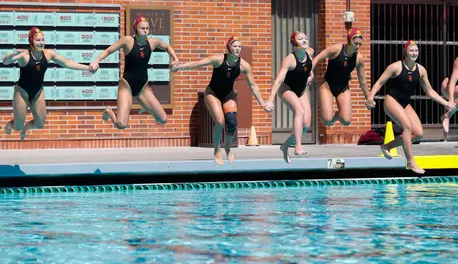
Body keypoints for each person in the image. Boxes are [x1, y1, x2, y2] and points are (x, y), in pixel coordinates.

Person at [176, 36, 273, 165]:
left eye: (239, 46)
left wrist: (262, 102)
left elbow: (253, 85)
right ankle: (217, 149)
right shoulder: (218, 59)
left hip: (228, 95)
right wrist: (179, 67)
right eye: (235, 46)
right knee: (220, 122)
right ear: (229, 48)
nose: (237, 49)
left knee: (232, 124)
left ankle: (227, 148)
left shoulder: (244, 65)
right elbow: (197, 63)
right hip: (212, 93)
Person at [366, 41, 455, 175]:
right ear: (405, 52)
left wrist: (445, 102)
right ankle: (411, 161)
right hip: (391, 101)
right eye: (411, 51)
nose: (414, 53)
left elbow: (429, 91)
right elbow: (379, 82)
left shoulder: (421, 70)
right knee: (407, 127)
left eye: (416, 51)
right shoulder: (395, 67)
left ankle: (387, 146)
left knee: (418, 134)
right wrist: (370, 97)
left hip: (405, 103)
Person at [89, 16, 180, 130]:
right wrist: (96, 60)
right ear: (136, 29)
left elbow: (167, 46)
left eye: (147, 28)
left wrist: (175, 59)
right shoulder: (128, 41)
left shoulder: (152, 43)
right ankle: (108, 111)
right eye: (142, 28)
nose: (145, 30)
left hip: (143, 88)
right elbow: (109, 50)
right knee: (121, 125)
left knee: (163, 119)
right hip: (127, 86)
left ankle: (144, 104)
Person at [2, 27, 93, 140]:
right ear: (31, 41)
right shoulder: (24, 56)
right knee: (17, 126)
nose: (41, 43)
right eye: (38, 40)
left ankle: (26, 128)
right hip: (22, 92)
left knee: (39, 124)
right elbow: (5, 61)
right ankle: (9, 126)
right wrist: (12, 55)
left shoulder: (48, 54)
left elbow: (67, 63)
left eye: (42, 40)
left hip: (38, 92)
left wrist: (87, 68)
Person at [266, 31, 314, 164]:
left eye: (305, 38)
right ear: (294, 44)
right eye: (300, 39)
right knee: (300, 111)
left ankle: (285, 146)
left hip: (301, 91)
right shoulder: (289, 60)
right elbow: (278, 80)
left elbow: (309, 69)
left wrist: (311, 76)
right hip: (287, 90)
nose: (304, 40)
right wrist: (270, 99)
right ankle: (298, 146)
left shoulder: (309, 53)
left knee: (305, 125)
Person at [312, 28, 369, 126]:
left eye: (360, 43)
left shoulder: (359, 58)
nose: (358, 46)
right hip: (327, 86)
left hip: (343, 88)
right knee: (326, 120)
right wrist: (309, 73)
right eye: (355, 43)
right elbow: (317, 59)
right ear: (349, 40)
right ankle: (327, 116)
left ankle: (337, 116)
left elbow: (362, 80)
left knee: (346, 121)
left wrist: (368, 98)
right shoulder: (336, 49)